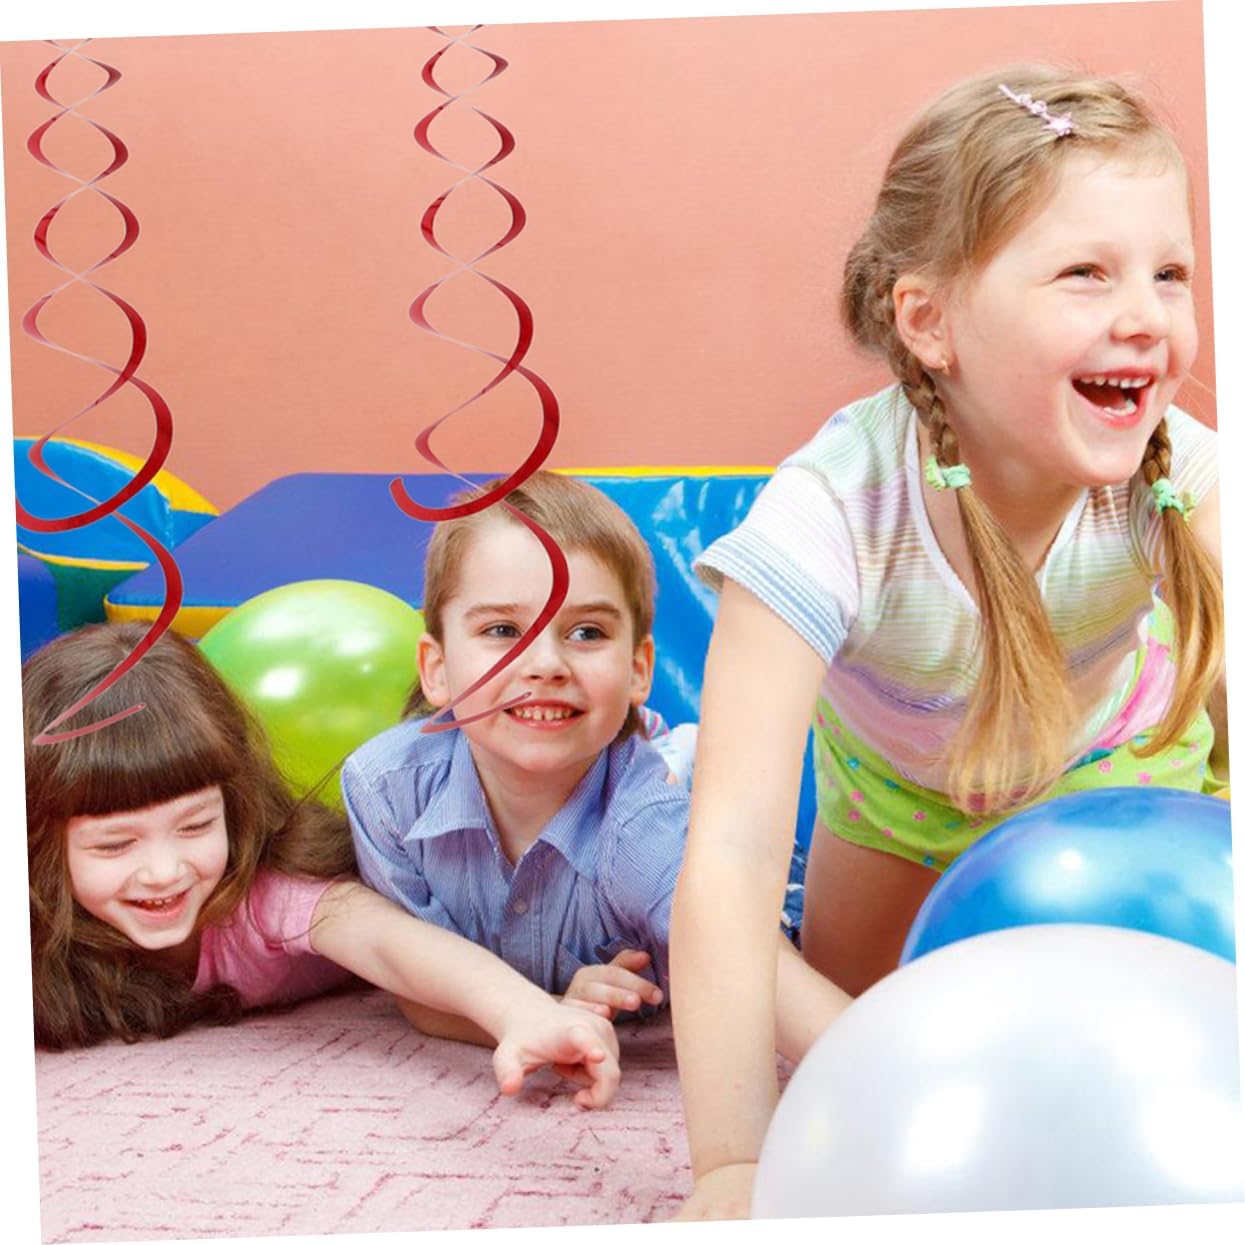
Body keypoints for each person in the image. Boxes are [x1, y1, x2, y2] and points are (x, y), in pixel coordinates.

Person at [670, 65, 1224, 1219]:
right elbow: (728, 856)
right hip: (897, 805)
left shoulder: (1190, 476)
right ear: (929, 322)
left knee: (1121, 1069)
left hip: (1116, 781)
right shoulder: (829, 514)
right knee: (868, 1057)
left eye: (1169, 273)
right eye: (1086, 273)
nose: (1147, 315)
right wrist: (730, 1162)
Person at [343, 471, 843, 1053]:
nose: (544, 664)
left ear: (638, 670)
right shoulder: (385, 791)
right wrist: (552, 1010)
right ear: (437, 670)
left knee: (718, 836)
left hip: (702, 819)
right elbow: (419, 991)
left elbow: (757, 976)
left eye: (585, 632)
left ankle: (682, 753)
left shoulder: (644, 830)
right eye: (502, 630)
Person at [26, 623, 622, 1109]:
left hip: (464, 898)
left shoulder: (268, 891)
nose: (163, 870)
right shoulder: (35, 931)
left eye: (195, 826)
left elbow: (388, 944)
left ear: (234, 806)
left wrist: (527, 1009)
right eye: (115, 845)